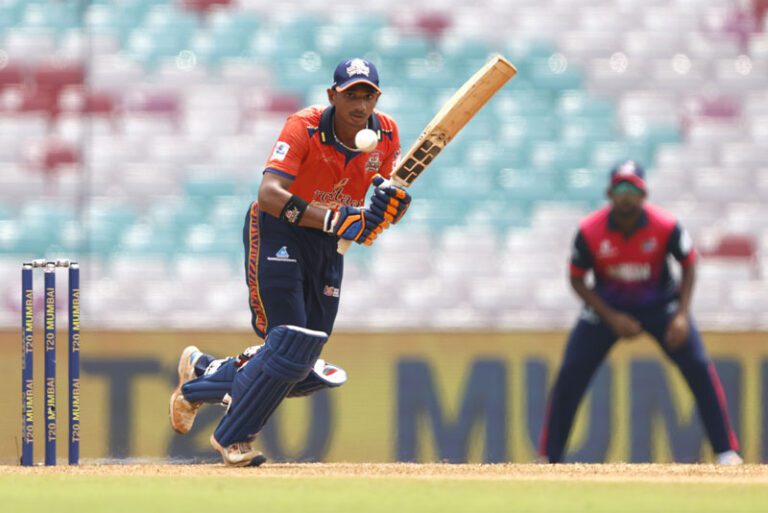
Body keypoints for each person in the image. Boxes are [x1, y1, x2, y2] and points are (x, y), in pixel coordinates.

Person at [168, 58, 411, 466]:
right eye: (351, 93)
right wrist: (338, 218)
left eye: (367, 94)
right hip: (280, 229)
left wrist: (388, 211)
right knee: (291, 342)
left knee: (303, 363)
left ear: (376, 99)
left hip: (327, 244)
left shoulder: (386, 133)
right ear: (332, 95)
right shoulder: (306, 126)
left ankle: (201, 377)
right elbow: (269, 194)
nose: (359, 103)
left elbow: (379, 204)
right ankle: (234, 438)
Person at [538, 160, 742, 465]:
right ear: (609, 192)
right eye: (620, 188)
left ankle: (726, 451)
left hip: (660, 306)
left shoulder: (666, 226)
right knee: (570, 374)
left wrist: (682, 315)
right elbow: (576, 279)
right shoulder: (589, 231)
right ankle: (550, 457)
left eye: (632, 189)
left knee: (699, 367)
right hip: (607, 307)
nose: (626, 196)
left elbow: (688, 265)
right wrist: (611, 317)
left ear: (644, 193)